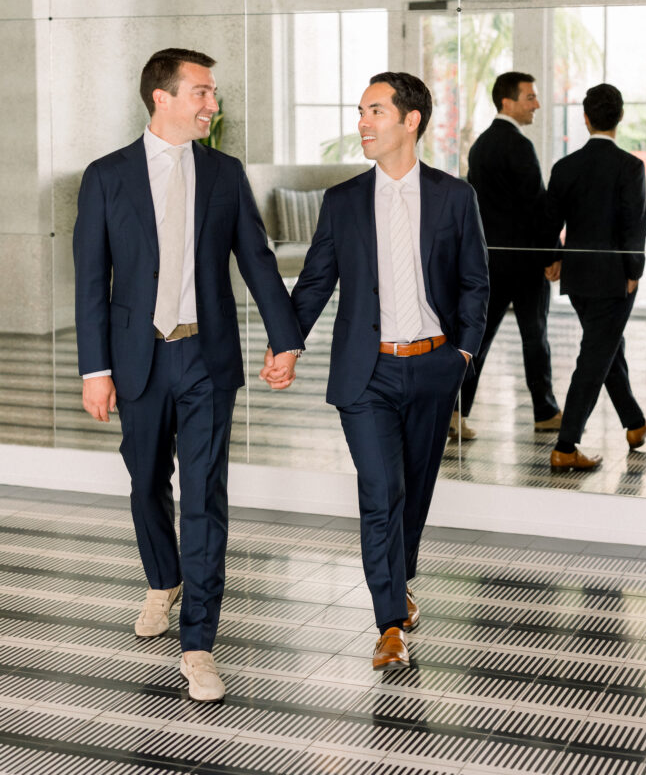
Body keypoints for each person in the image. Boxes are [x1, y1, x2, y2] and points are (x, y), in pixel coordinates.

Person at [73, 48, 303, 701]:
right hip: (136, 356)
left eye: (213, 92)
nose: (213, 104)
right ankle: (161, 578)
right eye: (201, 92)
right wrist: (96, 367)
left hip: (207, 358)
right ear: (162, 98)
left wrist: (284, 339)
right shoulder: (107, 176)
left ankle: (198, 645)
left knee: (203, 498)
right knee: (146, 481)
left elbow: (257, 261)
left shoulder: (225, 174)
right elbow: (92, 279)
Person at [263, 72, 488, 669]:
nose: (363, 122)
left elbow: (474, 283)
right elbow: (313, 284)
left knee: (413, 492)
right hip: (367, 375)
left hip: (434, 366)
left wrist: (462, 355)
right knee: (380, 492)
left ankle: (399, 580)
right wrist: (285, 344)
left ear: (411, 120)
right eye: (361, 111)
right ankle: (389, 623)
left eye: (376, 111)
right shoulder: (342, 202)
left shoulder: (453, 195)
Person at [545, 83, 646, 471]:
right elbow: (635, 224)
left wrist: (552, 259)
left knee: (607, 345)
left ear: (585, 118)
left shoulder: (565, 167)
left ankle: (634, 425)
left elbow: (549, 221)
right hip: (615, 278)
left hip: (579, 278)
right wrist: (634, 271)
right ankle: (566, 446)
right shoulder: (630, 166)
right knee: (596, 355)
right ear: (621, 117)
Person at [454, 71, 561, 440]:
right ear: (508, 102)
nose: (537, 105)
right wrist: (553, 253)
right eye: (530, 97)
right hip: (526, 262)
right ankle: (545, 412)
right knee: (535, 337)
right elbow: (537, 206)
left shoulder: (481, 145)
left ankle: (455, 411)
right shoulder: (519, 145)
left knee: (478, 340)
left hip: (489, 261)